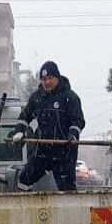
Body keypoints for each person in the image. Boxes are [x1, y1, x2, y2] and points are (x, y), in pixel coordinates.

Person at [13, 61, 85, 191]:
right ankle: (26, 208)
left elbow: (78, 121)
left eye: (50, 78)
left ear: (57, 77)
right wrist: (20, 131)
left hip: (65, 152)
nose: (46, 82)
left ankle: (68, 209)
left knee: (67, 189)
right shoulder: (37, 98)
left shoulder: (70, 97)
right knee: (24, 180)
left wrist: (73, 135)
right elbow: (24, 117)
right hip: (43, 151)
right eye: (43, 79)